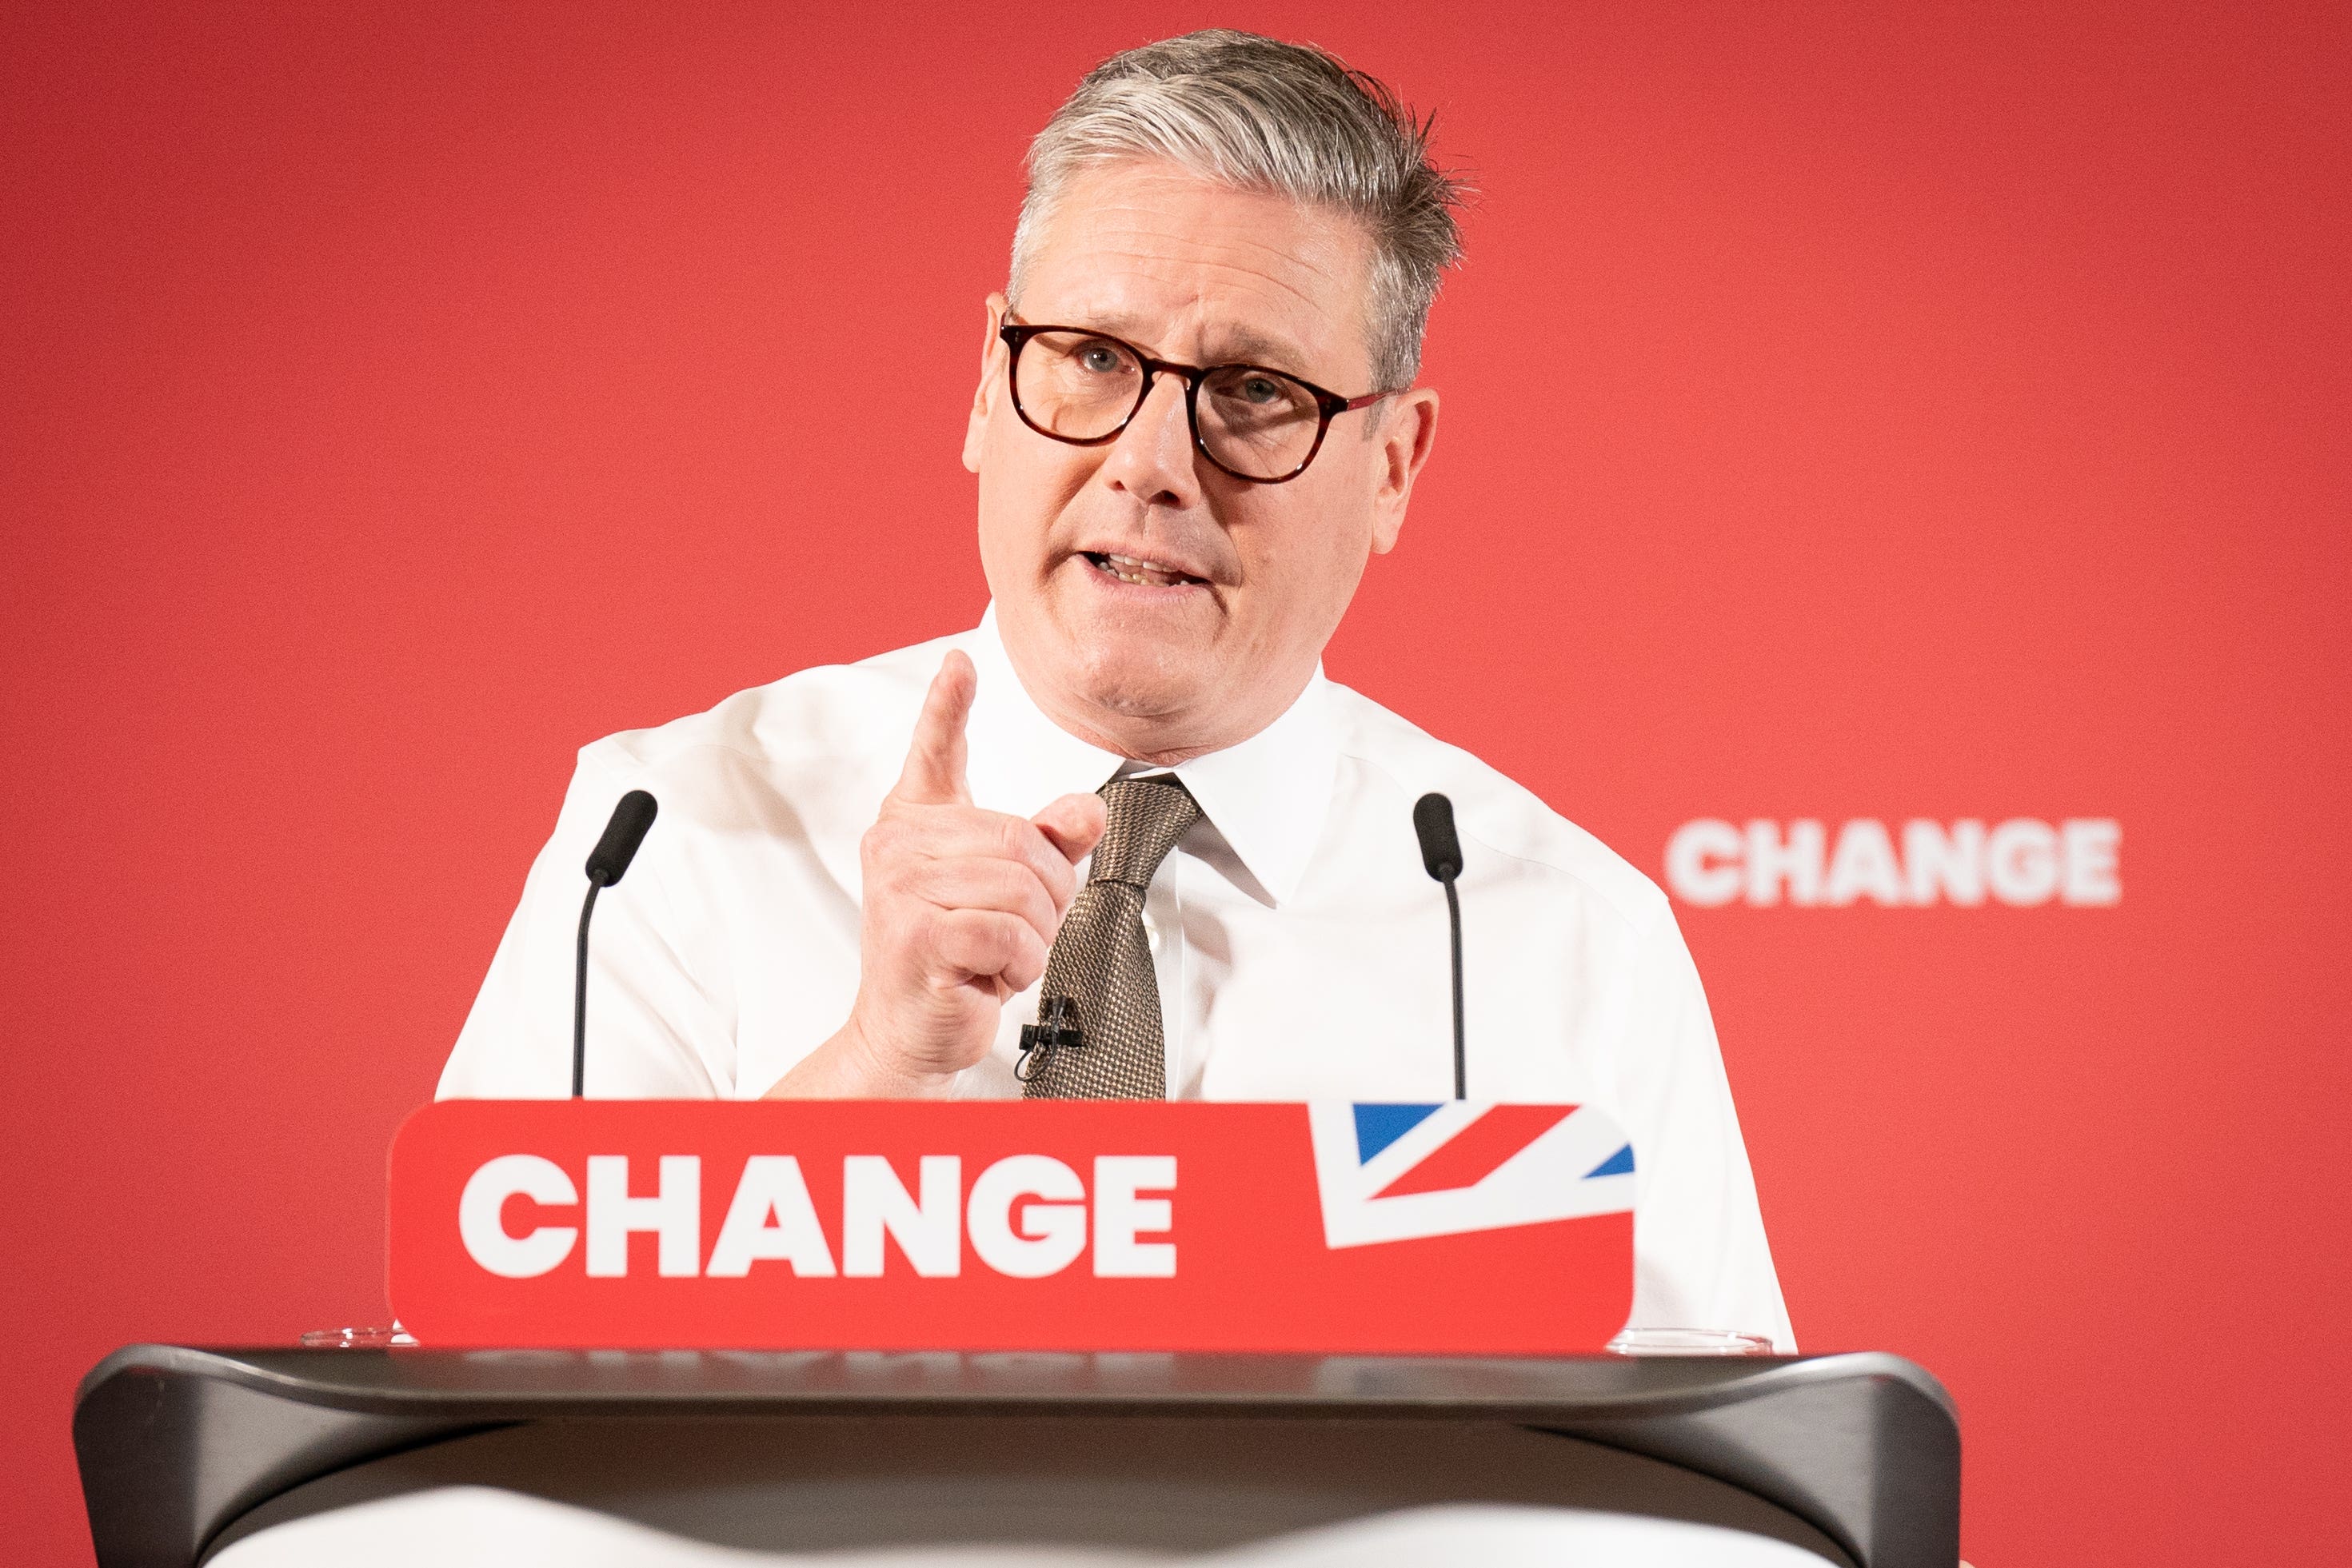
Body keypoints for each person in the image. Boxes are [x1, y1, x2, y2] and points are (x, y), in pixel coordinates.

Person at [440, 30, 1793, 1351]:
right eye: (1090, 358)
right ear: (987, 382)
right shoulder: (666, 835)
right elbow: (494, 1430)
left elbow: (1721, 1505)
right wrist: (881, 1066)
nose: (1149, 462)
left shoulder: (1559, 939)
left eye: (1253, 389)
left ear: (1392, 464)